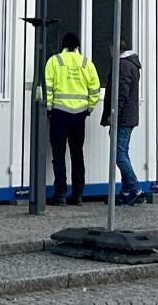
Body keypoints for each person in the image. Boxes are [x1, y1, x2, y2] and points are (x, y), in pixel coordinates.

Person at [43, 30, 101, 205]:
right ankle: (78, 195)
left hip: (59, 115)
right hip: (79, 117)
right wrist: (88, 108)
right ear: (77, 46)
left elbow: (48, 88)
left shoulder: (54, 61)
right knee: (77, 154)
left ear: (63, 45)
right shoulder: (86, 63)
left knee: (58, 155)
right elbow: (95, 90)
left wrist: (49, 108)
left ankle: (60, 194)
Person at [99, 43, 143, 204]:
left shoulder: (123, 65)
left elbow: (121, 92)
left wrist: (114, 113)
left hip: (123, 118)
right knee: (123, 153)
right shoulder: (132, 64)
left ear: (114, 48)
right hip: (128, 117)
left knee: (118, 154)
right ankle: (126, 192)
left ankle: (136, 189)